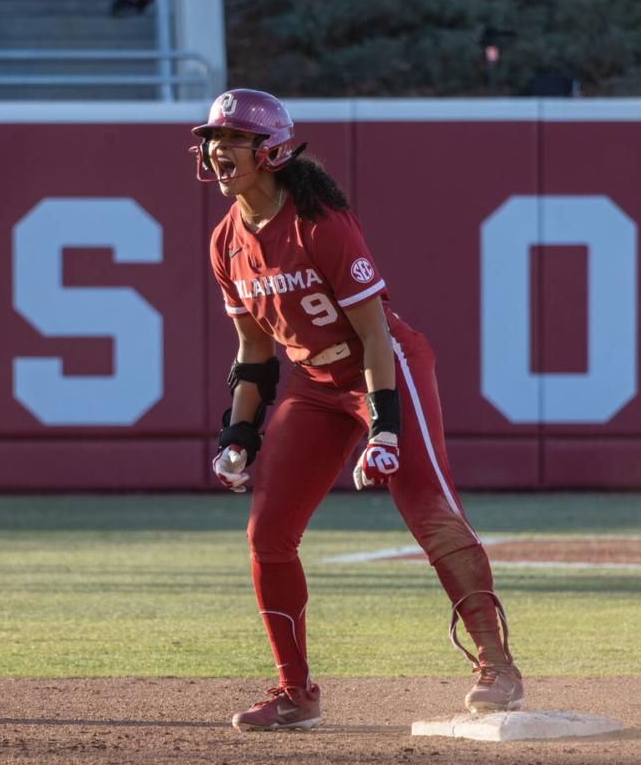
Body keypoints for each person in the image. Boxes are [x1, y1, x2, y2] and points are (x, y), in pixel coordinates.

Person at [194, 89, 524, 732]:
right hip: (312, 382)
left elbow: (374, 334)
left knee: (431, 514)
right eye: (212, 139)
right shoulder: (225, 240)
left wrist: (385, 428)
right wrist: (237, 434)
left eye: (233, 138)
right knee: (267, 536)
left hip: (384, 366)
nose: (217, 151)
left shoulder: (320, 223)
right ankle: (295, 692)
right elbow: (254, 352)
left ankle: (498, 667)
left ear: (270, 151)